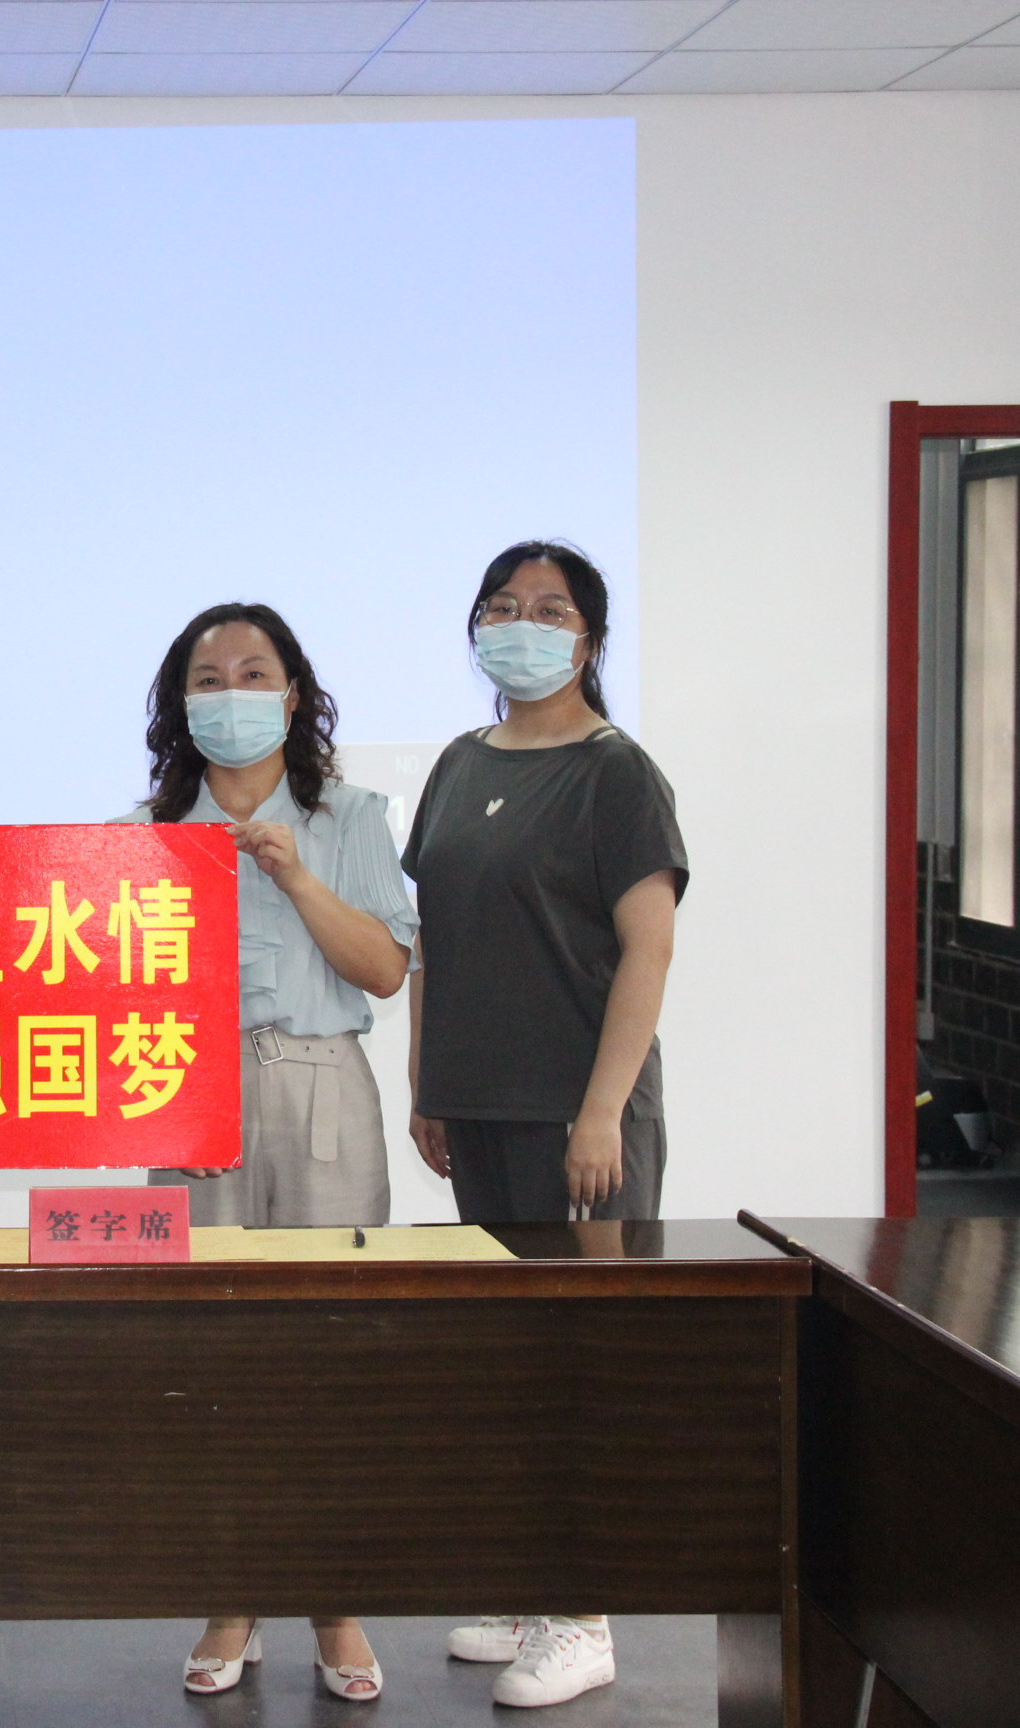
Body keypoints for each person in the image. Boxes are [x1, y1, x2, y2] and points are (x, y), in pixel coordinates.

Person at [114, 601, 416, 1705]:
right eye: (208, 678)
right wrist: (164, 1107)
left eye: (253, 674)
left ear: (292, 696)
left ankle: (335, 1603)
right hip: (189, 1099)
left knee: (330, 1356)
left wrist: (295, 876)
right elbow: (107, 996)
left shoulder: (352, 816)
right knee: (211, 1359)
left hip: (323, 1083)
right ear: (180, 703)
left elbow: (384, 969)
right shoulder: (143, 833)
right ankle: (231, 1597)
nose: (230, 695)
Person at [403, 540, 686, 1710]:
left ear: (590, 640)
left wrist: (602, 1111)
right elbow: (436, 937)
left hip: (580, 1119)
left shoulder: (617, 774)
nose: (521, 624)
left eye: (551, 609)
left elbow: (649, 949)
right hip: (478, 1108)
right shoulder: (460, 763)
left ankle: (587, 1615)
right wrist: (426, 1083)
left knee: (584, 1361)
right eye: (502, 606)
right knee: (514, 1357)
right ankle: (535, 1586)